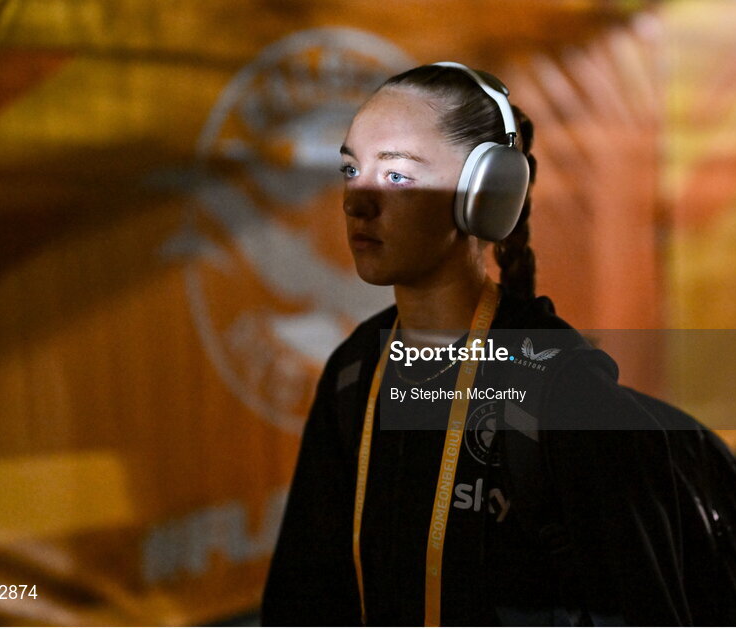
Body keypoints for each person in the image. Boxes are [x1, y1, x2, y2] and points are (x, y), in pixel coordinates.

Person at [260, 63, 693, 626]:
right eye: (351, 169)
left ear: (484, 192)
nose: (356, 201)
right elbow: (303, 603)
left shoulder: (562, 392)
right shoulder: (353, 372)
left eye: (397, 176)